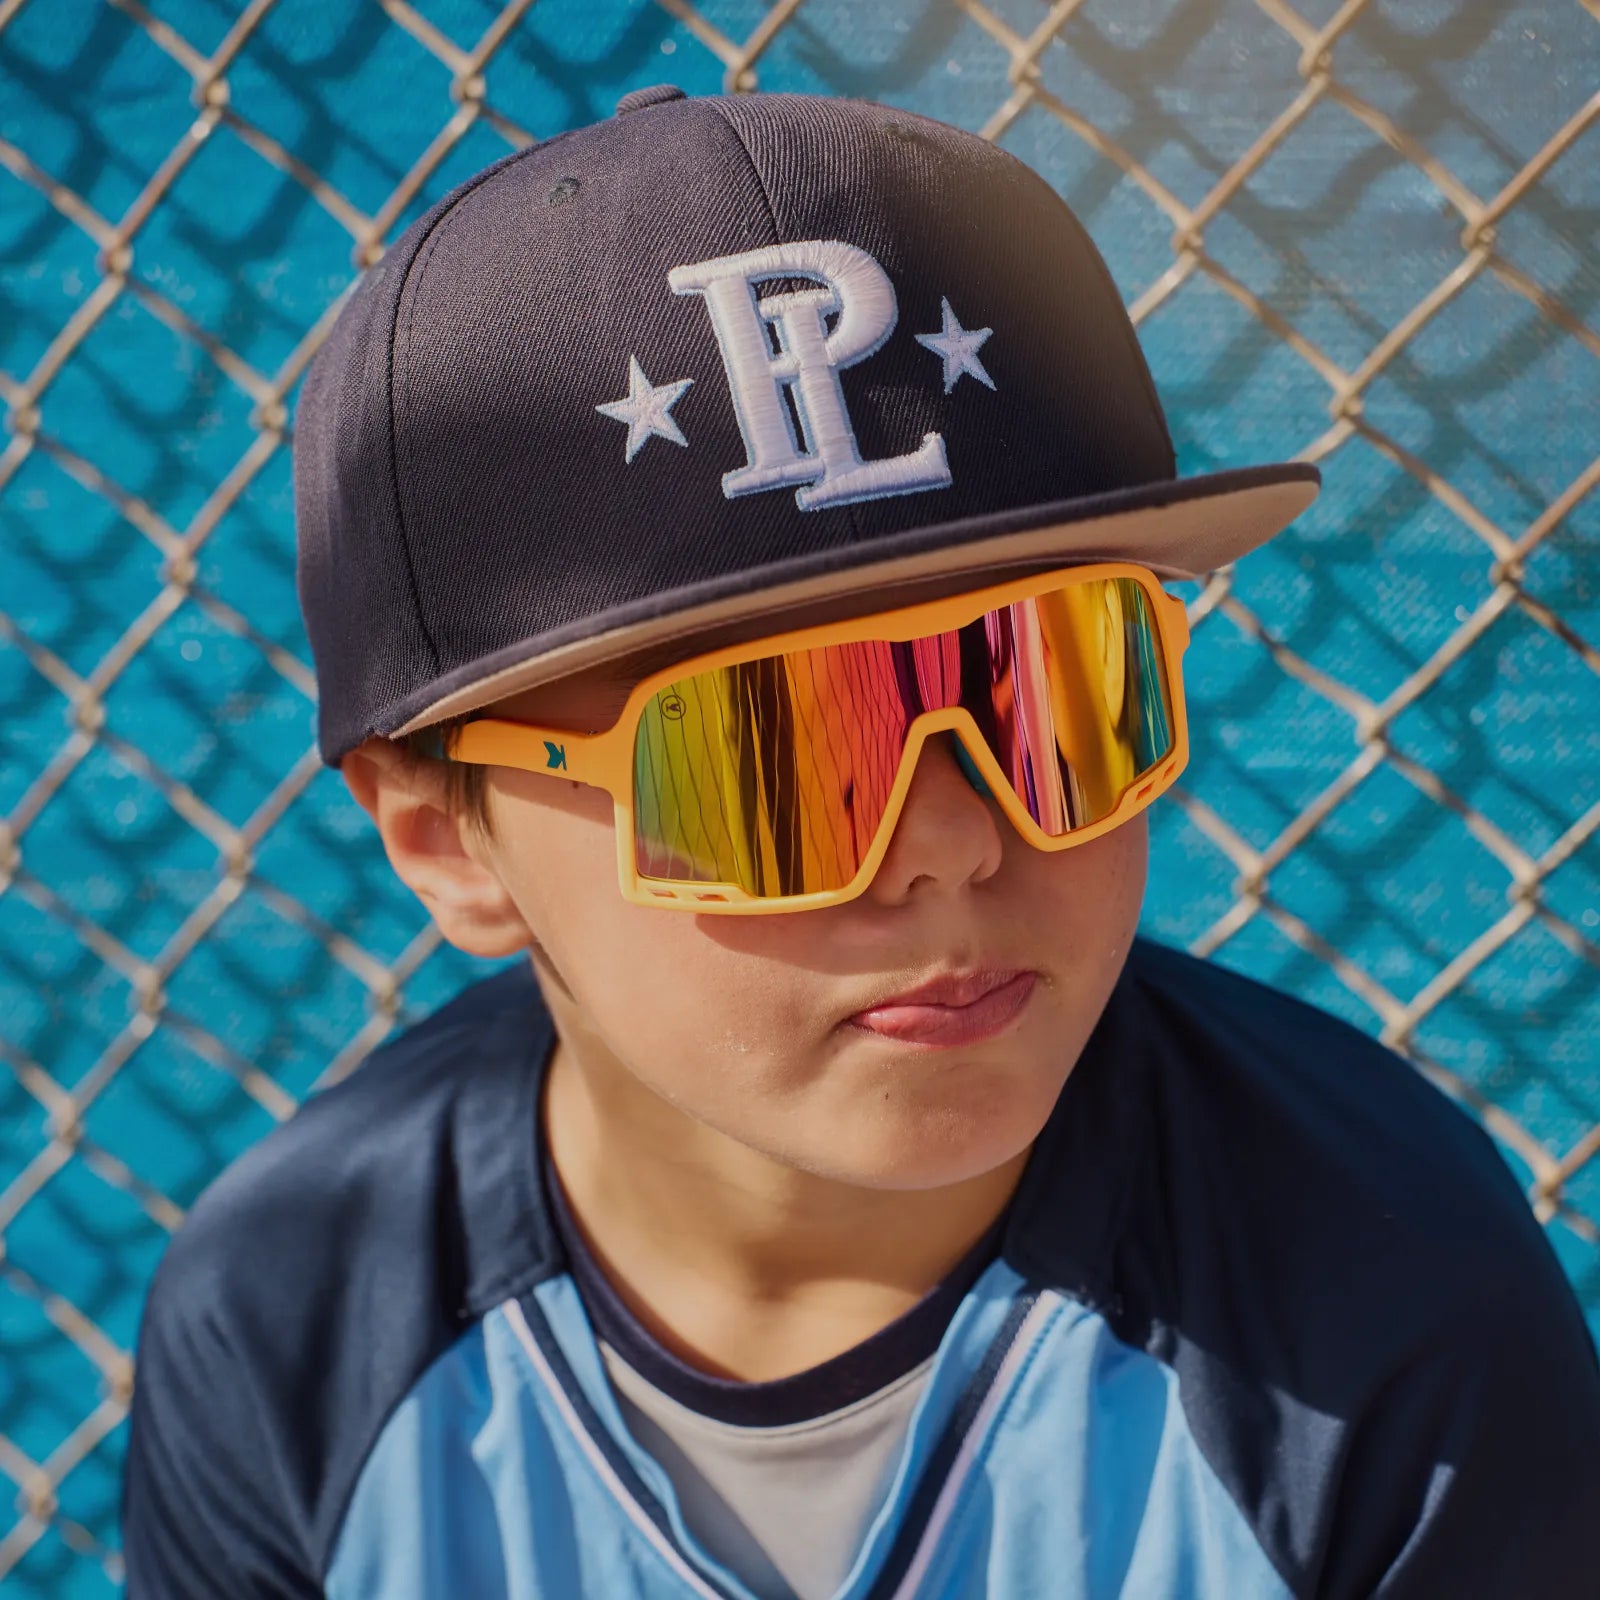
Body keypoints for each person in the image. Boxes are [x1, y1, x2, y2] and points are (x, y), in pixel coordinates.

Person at [120, 87, 1600, 1599]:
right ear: (450, 844)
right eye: (773, 757)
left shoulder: (1393, 1302)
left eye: (1046, 692)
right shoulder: (297, 1320)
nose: (951, 846)